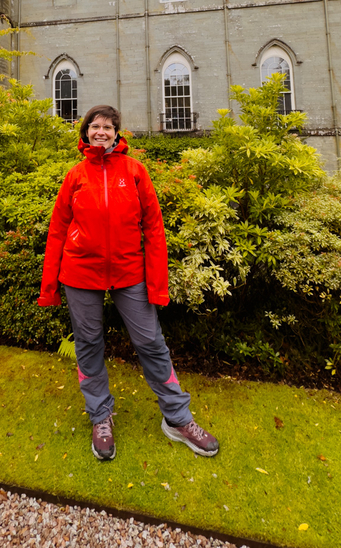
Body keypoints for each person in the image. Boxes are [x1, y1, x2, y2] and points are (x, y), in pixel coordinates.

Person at [38, 104, 219, 461]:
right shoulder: (75, 176)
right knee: (88, 344)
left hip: (129, 271)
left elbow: (153, 228)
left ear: (117, 134)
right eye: (94, 126)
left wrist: (158, 283)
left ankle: (178, 419)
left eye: (107, 126)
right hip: (81, 273)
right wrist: (49, 286)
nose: (101, 132)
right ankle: (100, 417)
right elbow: (58, 230)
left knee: (151, 341)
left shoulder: (135, 172)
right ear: (85, 133)